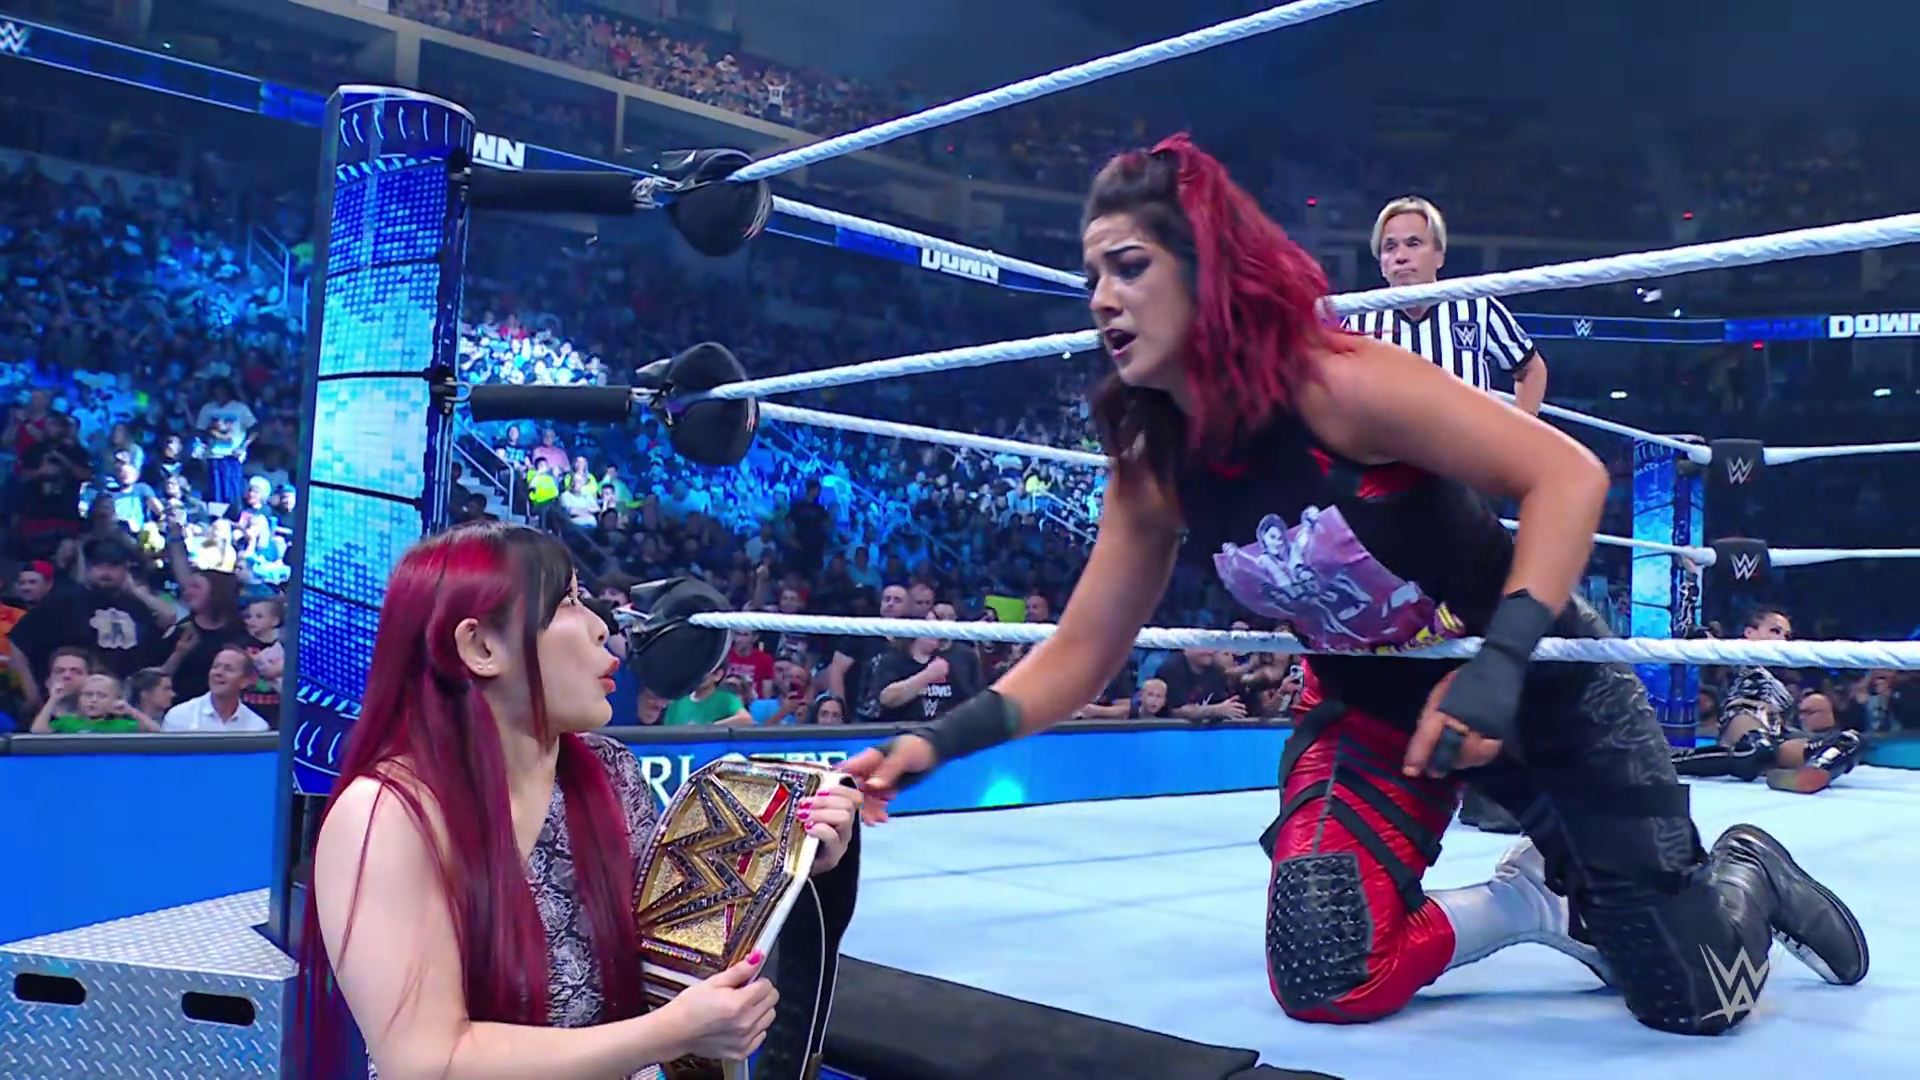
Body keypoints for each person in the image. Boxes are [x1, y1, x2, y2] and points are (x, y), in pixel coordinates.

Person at [845, 135, 1867, 1036]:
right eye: (1092, 276)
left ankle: (1749, 867)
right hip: (1377, 716)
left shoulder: (1334, 382)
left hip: (1539, 686)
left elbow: (1565, 475)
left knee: (1690, 998)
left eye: (1130, 266)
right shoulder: (1155, 460)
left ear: (1208, 271)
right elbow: (1084, 647)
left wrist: (1499, 666)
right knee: (1327, 968)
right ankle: (1534, 903)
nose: (1103, 299)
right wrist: (935, 743)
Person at [297, 522, 860, 1080]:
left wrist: (789, 863)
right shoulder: (386, 816)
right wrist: (671, 1032)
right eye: (566, 602)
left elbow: (675, 938)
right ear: (482, 646)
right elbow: (427, 1062)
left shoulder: (610, 771)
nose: (600, 627)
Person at [1346, 194, 1550, 835]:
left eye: (1412, 244)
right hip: (1388, 493)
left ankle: (1493, 780)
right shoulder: (1359, 319)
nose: (1400, 257)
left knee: (1480, 623)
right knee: (1399, 624)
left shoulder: (1475, 307)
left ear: (1438, 253)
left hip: (1462, 489)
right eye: (1390, 248)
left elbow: (1530, 368)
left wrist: (1515, 435)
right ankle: (1399, 773)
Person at [1670, 607, 1865, 793]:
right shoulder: (1736, 655)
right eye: (1775, 631)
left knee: (1849, 741)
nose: (1782, 640)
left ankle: (1808, 774)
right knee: (1759, 747)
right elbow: (1701, 638)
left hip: (1778, 734)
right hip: (1744, 721)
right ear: (1749, 633)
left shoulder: (1787, 678)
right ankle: (1673, 761)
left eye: (1787, 636)